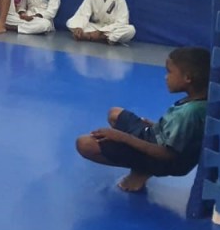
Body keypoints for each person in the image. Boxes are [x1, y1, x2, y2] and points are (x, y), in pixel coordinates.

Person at [75, 46, 210, 192]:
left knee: (84, 144)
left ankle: (142, 169)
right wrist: (154, 125)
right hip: (154, 138)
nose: (166, 77)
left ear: (187, 78)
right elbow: (181, 135)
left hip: (163, 157)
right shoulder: (197, 101)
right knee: (115, 113)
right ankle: (141, 165)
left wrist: (122, 137)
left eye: (170, 72)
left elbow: (168, 154)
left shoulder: (189, 112)